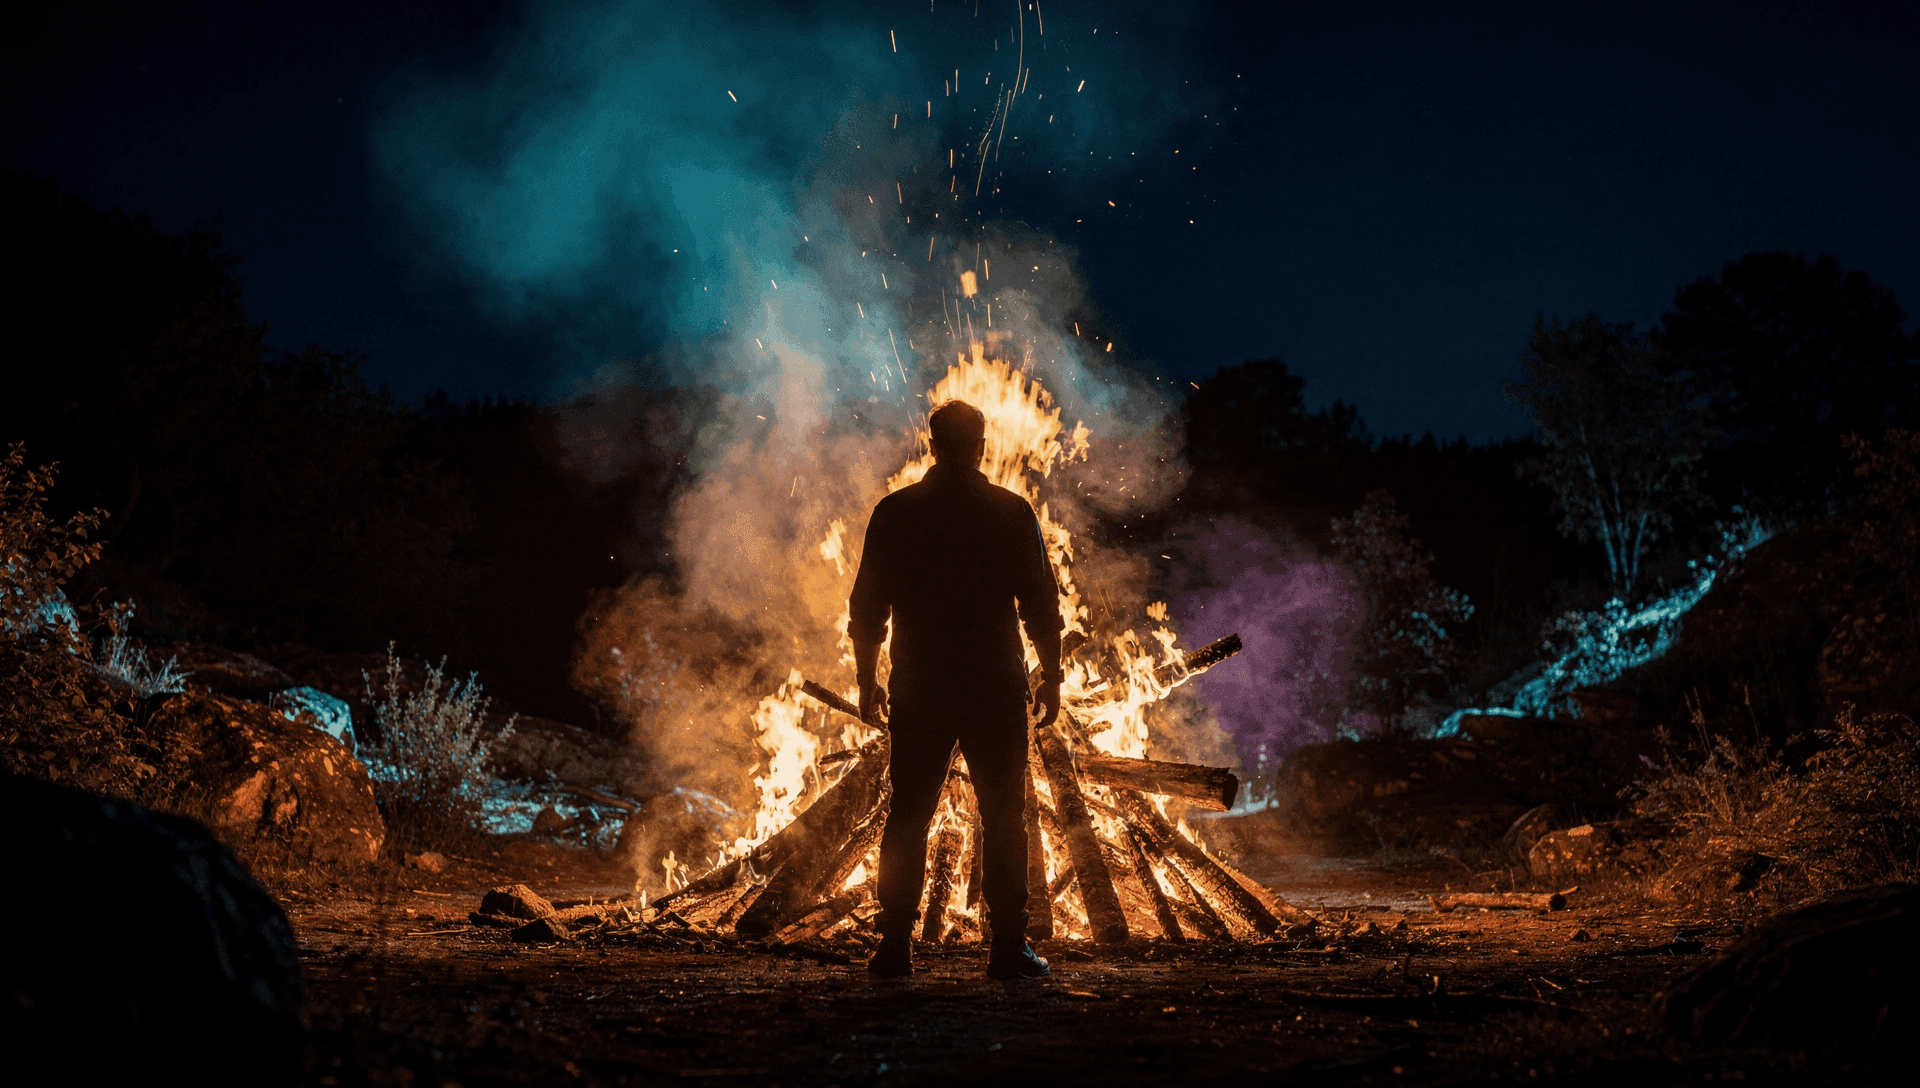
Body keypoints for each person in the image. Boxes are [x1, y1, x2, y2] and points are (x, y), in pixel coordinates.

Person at [848, 399, 1063, 979]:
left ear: (932, 444)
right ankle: (1008, 947)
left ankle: (895, 945)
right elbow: (1041, 605)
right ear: (982, 447)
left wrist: (867, 680)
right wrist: (1052, 676)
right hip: (994, 684)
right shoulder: (1010, 511)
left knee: (909, 813)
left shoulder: (896, 512)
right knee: (1003, 817)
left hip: (921, 683)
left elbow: (867, 608)